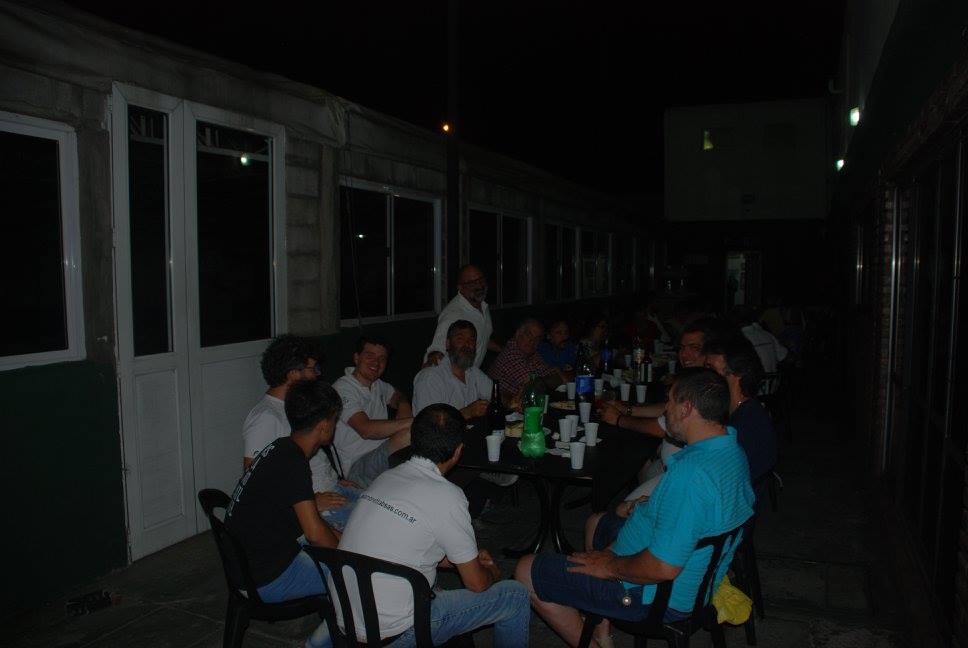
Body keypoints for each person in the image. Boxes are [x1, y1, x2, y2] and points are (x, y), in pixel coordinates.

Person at [515, 369, 754, 647]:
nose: (666, 409)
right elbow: (700, 513)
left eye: (670, 401)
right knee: (598, 522)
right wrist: (642, 510)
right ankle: (602, 630)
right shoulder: (731, 450)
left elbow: (663, 567)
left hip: (653, 596)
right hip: (690, 577)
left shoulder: (691, 475)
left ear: (687, 408)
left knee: (526, 569)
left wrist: (610, 565)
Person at [333, 404, 531, 647]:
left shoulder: (386, 477)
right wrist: (490, 572)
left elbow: (407, 547)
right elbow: (477, 584)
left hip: (347, 622)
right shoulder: (448, 496)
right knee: (514, 595)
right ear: (458, 451)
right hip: (397, 633)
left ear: (413, 440)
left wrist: (465, 560)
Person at [226, 380, 344, 648]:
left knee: (339, 543)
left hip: (248, 565)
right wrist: (348, 554)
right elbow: (315, 535)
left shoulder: (280, 447)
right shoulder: (293, 463)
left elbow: (309, 520)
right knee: (357, 578)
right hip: (265, 578)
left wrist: (342, 538)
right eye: (335, 420)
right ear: (324, 425)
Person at [242, 335, 358, 528]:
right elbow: (254, 483)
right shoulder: (266, 418)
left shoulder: (298, 404)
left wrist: (336, 479)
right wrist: (312, 502)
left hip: (331, 489)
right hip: (309, 505)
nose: (318, 374)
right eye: (313, 369)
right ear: (293, 374)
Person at [332, 336, 413, 489]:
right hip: (356, 468)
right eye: (370, 356)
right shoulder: (342, 389)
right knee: (408, 434)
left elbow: (397, 395)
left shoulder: (377, 384)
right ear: (356, 358)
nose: (376, 363)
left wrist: (403, 404)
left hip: (380, 456)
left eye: (382, 358)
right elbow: (365, 429)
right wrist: (412, 422)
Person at [703, 337, 777, 483]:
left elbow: (728, 476)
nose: (704, 377)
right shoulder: (732, 410)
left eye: (711, 370)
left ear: (737, 373)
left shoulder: (747, 422)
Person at [425, 265, 502, 368]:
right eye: (472, 283)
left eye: (481, 280)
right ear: (460, 287)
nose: (479, 285)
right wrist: (429, 372)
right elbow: (436, 353)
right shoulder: (453, 314)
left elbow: (482, 336)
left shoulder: (482, 306)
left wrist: (502, 350)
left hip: (471, 375)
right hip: (454, 376)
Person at [413, 320, 493, 418]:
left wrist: (509, 400)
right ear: (448, 344)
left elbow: (495, 394)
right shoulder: (430, 377)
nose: (467, 344)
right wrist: (467, 412)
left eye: (471, 340)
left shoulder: (472, 372)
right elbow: (429, 423)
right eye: (460, 339)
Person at [489, 318, 565, 400]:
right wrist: (544, 381)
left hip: (525, 403)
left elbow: (557, 378)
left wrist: (541, 381)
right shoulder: (511, 353)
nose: (532, 341)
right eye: (529, 335)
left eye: (537, 338)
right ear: (518, 333)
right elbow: (534, 387)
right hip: (500, 405)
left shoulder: (532, 353)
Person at [730, 306, 788, 376]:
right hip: (772, 380)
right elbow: (783, 356)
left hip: (755, 380)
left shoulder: (740, 339)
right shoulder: (767, 334)